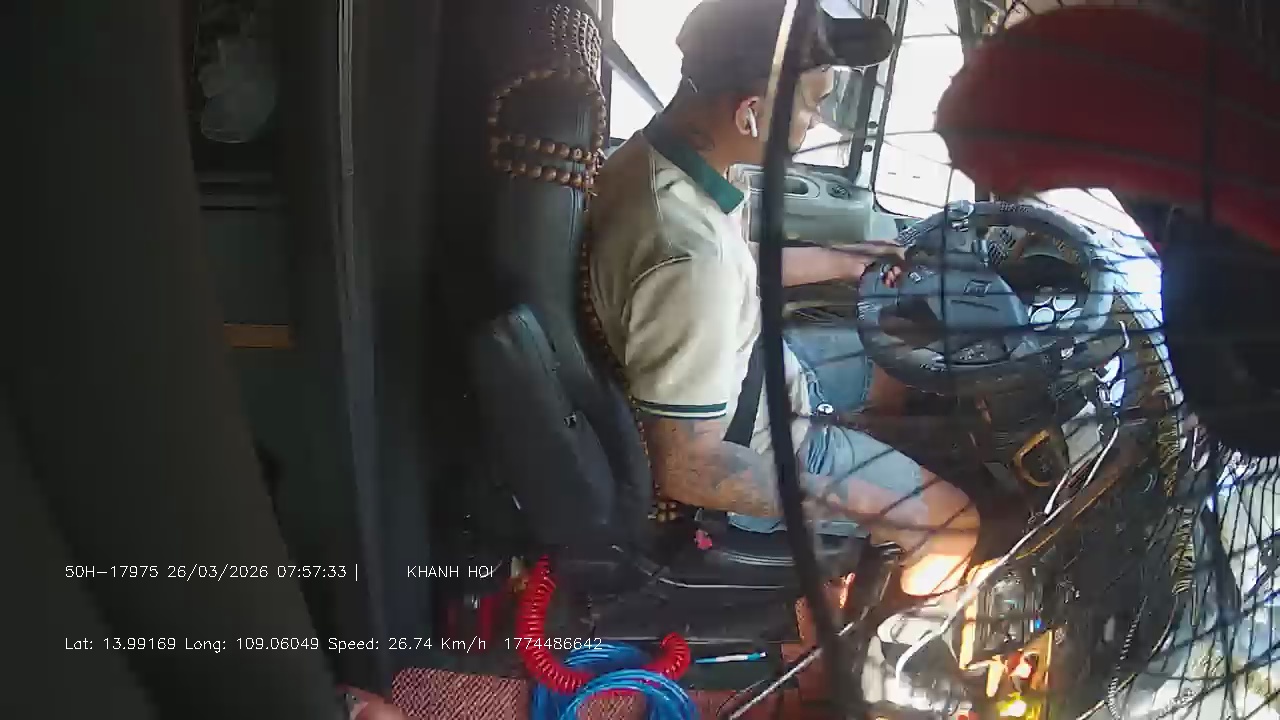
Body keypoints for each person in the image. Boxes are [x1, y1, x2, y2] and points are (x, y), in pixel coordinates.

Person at [586, 0, 979, 596]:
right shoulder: (689, 258)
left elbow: (732, 268)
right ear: (751, 114)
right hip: (758, 444)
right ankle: (878, 631)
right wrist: (868, 503)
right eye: (813, 105)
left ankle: (877, 456)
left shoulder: (664, 164)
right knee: (954, 526)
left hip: (755, 372)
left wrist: (842, 260)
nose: (817, 123)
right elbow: (689, 468)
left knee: (899, 367)